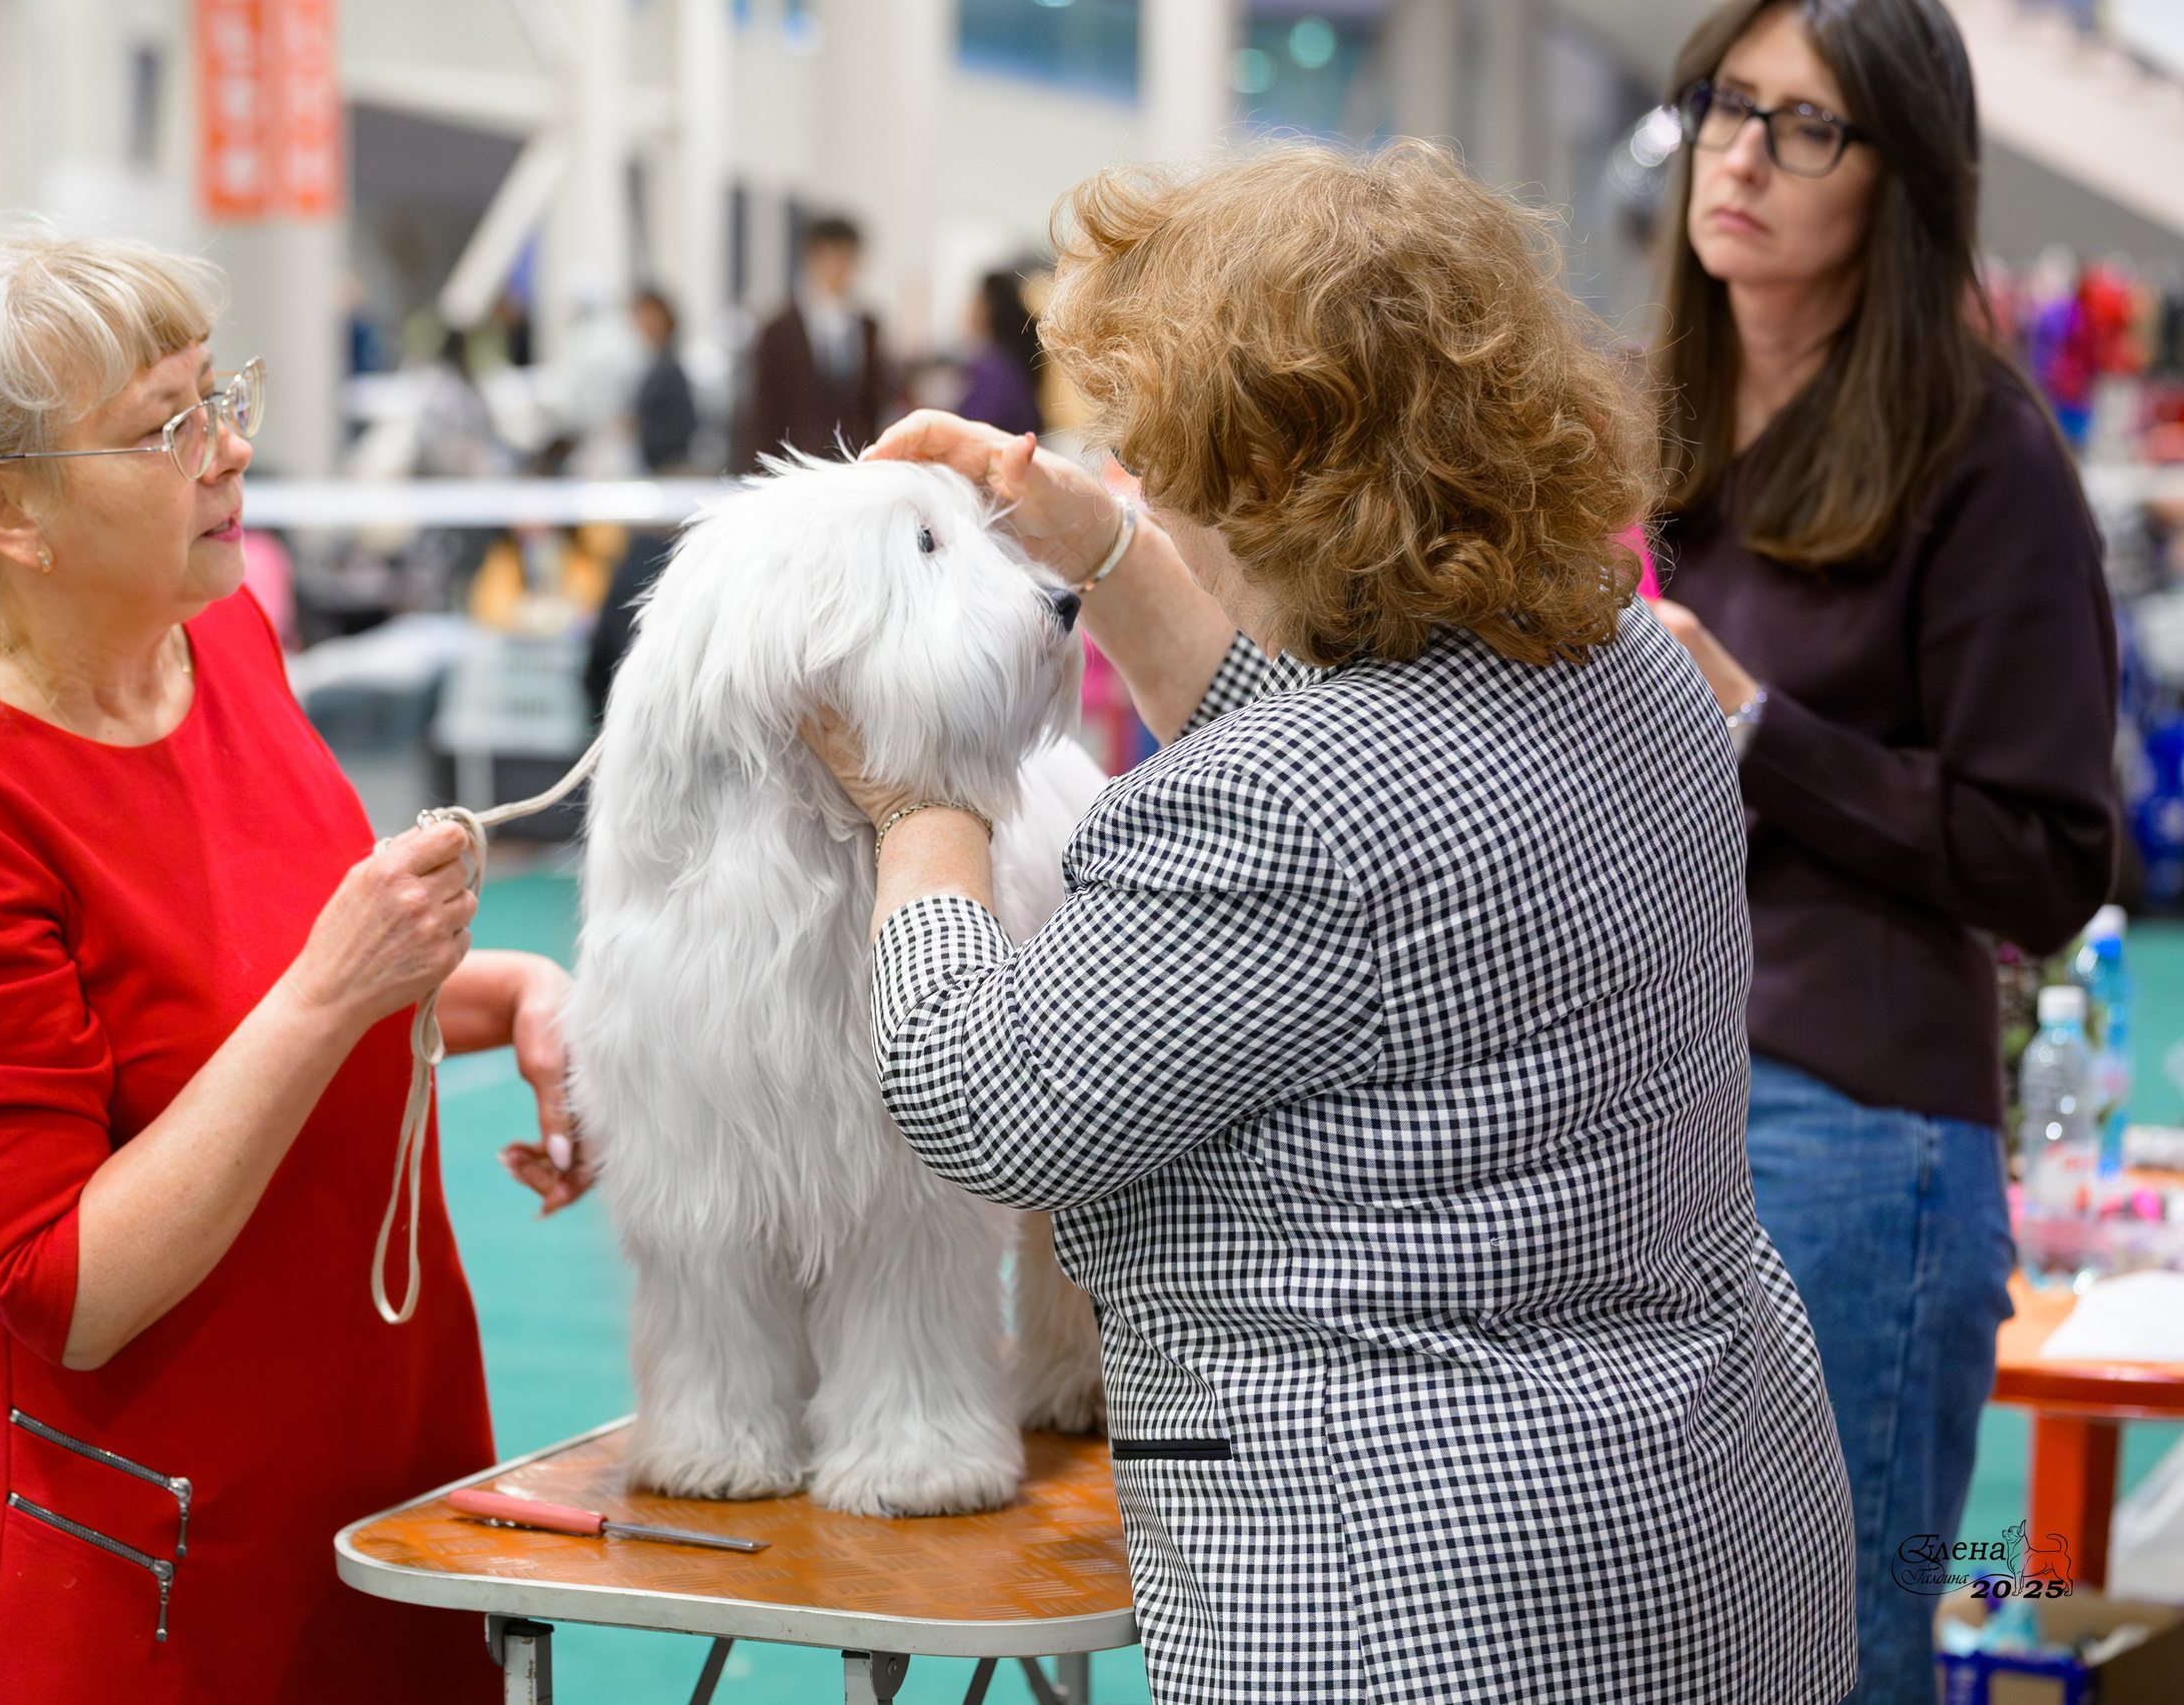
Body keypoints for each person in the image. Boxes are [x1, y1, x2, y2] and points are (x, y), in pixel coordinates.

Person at [812, 143, 1856, 1704]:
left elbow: (986, 1093)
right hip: (1711, 1532)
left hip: (1427, 1604)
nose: (1141, 474)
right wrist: (1098, 545)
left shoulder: (1281, 810)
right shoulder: (1636, 668)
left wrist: (923, 805)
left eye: (1158, 454)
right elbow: (1365, 779)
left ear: (1272, 479)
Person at [0, 233, 586, 1703]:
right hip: (141, 1563)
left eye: (220, 393)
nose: (231, 448)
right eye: (166, 425)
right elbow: (65, 1285)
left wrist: (501, 988)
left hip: (384, 1472)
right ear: (4, 510)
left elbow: (243, 997)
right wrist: (340, 986)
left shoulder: (221, 636)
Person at [1645, 3, 2118, 1698]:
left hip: (1854, 1132)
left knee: (1832, 1648)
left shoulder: (1984, 460)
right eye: (1724, 104)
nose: (1744, 152)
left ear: (1900, 179)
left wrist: (1762, 728)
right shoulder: (1665, 435)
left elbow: (2051, 851)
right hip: (1648, 1112)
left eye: (1807, 125)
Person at [732, 214, 888, 469]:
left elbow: (870, 403)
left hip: (854, 464)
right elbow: (764, 411)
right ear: (812, 258)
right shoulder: (779, 330)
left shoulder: (866, 326)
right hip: (798, 464)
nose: (841, 267)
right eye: (833, 256)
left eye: (849, 258)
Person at [956, 269, 1044, 437]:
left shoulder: (994, 371)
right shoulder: (1011, 363)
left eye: (975, 301)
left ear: (988, 310)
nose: (967, 309)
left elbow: (975, 431)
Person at [630, 287, 698, 474]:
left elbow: (686, 422)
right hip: (656, 464)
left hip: (669, 466)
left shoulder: (669, 368)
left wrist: (641, 428)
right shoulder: (655, 364)